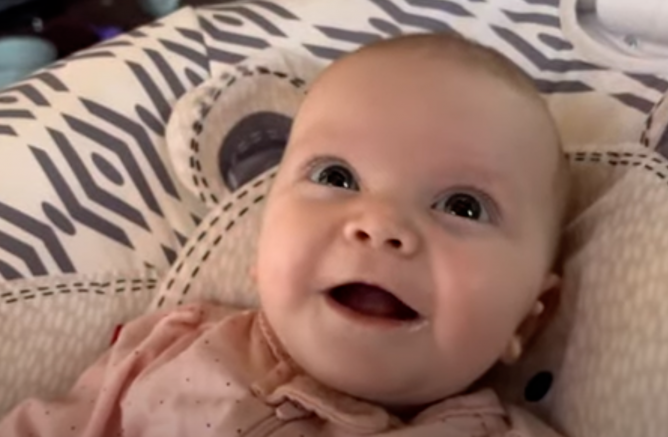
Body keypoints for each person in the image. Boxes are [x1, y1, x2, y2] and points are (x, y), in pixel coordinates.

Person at [0, 33, 569, 436]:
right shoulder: (171, 346)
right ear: (261, 245)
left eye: (463, 206)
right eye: (336, 177)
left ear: (528, 317)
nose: (380, 225)